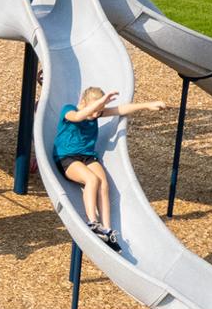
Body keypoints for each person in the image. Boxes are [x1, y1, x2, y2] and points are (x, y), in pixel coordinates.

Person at [56, 86, 166, 251]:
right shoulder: (69, 109)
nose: (95, 115)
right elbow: (78, 117)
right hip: (66, 157)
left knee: (103, 184)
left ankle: (106, 230)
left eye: (99, 111)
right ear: (83, 102)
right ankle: (93, 222)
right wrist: (100, 103)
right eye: (94, 110)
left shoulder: (97, 112)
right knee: (92, 180)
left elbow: (121, 109)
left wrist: (147, 105)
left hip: (86, 156)